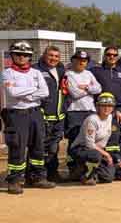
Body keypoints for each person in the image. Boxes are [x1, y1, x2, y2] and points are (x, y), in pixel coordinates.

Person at [2, 41, 53, 194]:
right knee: (17, 147)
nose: (22, 57)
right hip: (16, 115)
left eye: (25, 55)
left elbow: (45, 92)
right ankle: (15, 181)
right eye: (18, 54)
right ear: (12, 55)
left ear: (30, 57)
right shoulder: (7, 73)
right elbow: (12, 94)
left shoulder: (36, 73)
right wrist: (33, 90)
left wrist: (24, 93)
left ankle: (37, 177)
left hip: (35, 113)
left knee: (38, 146)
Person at [68, 92, 117, 186]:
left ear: (113, 107)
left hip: (98, 150)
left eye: (110, 106)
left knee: (108, 177)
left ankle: (91, 173)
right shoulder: (92, 119)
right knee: (95, 155)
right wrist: (106, 154)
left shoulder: (110, 118)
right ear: (97, 106)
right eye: (103, 105)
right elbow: (89, 144)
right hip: (81, 149)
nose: (107, 108)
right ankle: (86, 175)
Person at [33, 45, 66, 182]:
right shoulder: (35, 69)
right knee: (40, 147)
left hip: (58, 116)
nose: (54, 59)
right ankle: (35, 175)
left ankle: (52, 173)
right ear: (44, 55)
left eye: (56, 56)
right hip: (43, 115)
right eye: (51, 55)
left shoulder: (60, 69)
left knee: (54, 148)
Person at [65, 51, 102, 147]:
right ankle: (72, 161)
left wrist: (86, 88)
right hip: (75, 112)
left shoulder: (89, 73)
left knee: (90, 138)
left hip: (90, 111)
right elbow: (75, 93)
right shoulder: (68, 74)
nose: (81, 63)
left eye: (84, 61)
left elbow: (99, 88)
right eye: (78, 60)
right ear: (73, 60)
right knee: (74, 139)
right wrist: (90, 89)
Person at [91, 46, 121, 116]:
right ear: (104, 56)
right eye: (109, 54)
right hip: (103, 108)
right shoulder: (95, 70)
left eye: (115, 55)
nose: (112, 57)